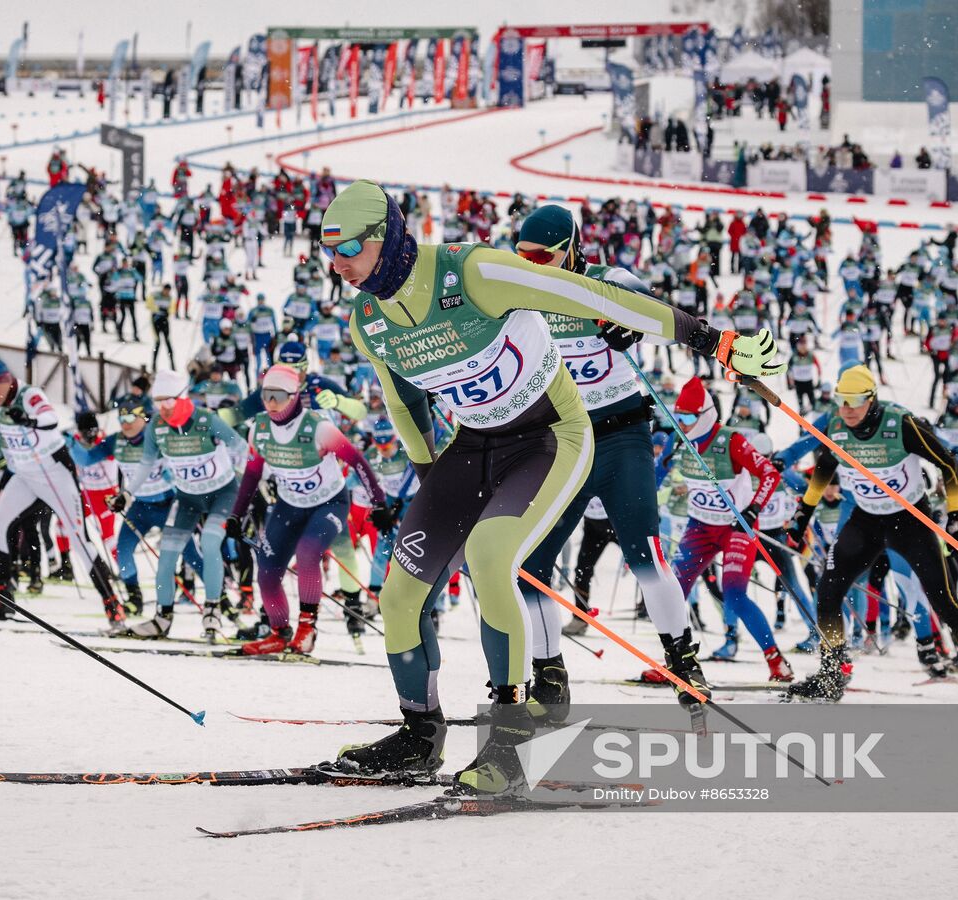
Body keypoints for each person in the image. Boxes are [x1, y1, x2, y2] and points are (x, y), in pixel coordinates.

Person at [314, 179, 783, 793]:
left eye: (348, 246)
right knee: (399, 594)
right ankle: (419, 736)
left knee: (491, 559)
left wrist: (714, 341)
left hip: (551, 436)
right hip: (473, 445)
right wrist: (431, 477)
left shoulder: (474, 272)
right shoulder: (367, 319)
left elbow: (594, 294)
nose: (336, 263)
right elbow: (402, 399)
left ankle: (509, 741)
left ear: (387, 238)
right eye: (327, 249)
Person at [510, 205, 706, 716]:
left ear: (571, 247)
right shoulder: (520, 293)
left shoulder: (608, 280)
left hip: (622, 439)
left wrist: (632, 326)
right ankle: (549, 677)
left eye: (544, 256)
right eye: (524, 256)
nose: (534, 265)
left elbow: (649, 307)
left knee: (646, 558)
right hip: (564, 444)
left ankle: (683, 661)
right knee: (528, 568)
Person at [785, 365, 958, 706]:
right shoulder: (836, 426)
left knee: (946, 604)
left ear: (872, 399)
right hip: (866, 520)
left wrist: (954, 514)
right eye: (841, 401)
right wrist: (803, 514)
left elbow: (948, 461)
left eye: (854, 402)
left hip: (911, 521)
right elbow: (824, 468)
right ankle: (832, 674)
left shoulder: (900, 425)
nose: (846, 409)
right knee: (828, 591)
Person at [0, 357, 126, 627]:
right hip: (25, 475)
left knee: (79, 538)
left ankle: (111, 603)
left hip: (54, 474)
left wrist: (27, 419)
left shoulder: (29, 395)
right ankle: (4, 596)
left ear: (5, 381)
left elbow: (50, 419)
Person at [226, 364, 386, 656]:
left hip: (329, 503)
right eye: (266, 395)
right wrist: (236, 514)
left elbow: (358, 462)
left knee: (309, 553)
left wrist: (380, 504)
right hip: (289, 506)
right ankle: (278, 632)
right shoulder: (259, 429)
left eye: (278, 396)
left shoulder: (318, 427)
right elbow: (251, 475)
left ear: (294, 394)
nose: (271, 403)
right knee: (267, 568)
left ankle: (307, 628)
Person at [658, 378, 793, 680]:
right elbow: (657, 473)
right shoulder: (678, 438)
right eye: (677, 417)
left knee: (734, 593)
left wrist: (754, 508)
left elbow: (769, 473)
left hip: (737, 526)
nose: (682, 423)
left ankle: (776, 661)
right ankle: (675, 662)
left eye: (689, 417)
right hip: (700, 525)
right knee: (671, 592)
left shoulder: (730, 439)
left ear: (705, 414)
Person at [122, 370, 244, 640]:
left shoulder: (206, 420)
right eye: (157, 402)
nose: (162, 408)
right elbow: (146, 464)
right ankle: (162, 617)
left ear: (182, 397)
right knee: (167, 554)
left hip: (222, 494)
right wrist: (127, 493)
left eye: (168, 401)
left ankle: (212, 610)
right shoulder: (156, 426)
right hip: (187, 497)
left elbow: (241, 447)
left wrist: (251, 484)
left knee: (211, 542)